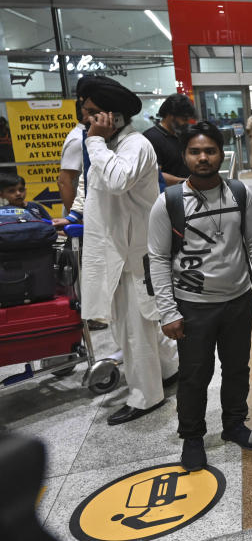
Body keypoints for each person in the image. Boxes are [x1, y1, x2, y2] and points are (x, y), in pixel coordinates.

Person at [148, 122, 252, 471]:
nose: (203, 157)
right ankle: (192, 435)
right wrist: (167, 311)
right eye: (195, 151)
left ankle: (234, 424)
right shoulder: (169, 202)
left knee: (237, 368)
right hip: (192, 306)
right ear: (184, 156)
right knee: (194, 374)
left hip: (237, 299)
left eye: (210, 151)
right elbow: (158, 259)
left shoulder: (239, 193)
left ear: (221, 154)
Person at [79, 76, 179, 425]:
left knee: (134, 328)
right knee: (141, 324)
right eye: (85, 110)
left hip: (134, 255)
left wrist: (94, 142)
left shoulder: (133, 145)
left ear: (114, 116)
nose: (85, 117)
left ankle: (145, 395)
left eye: (92, 112)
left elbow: (116, 181)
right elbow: (95, 187)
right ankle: (167, 372)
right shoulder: (109, 144)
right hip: (118, 251)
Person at [143, 93, 194, 186]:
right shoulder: (151, 137)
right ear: (170, 115)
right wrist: (185, 182)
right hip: (169, 195)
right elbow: (155, 174)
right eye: (184, 119)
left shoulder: (180, 134)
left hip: (188, 191)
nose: (187, 123)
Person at [57, 102, 87, 213]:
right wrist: (75, 219)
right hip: (80, 214)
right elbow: (64, 182)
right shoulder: (79, 140)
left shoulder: (87, 135)